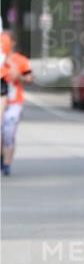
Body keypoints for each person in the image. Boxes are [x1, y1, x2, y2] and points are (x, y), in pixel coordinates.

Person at [1, 33, 32, 176]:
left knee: (9, 132)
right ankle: (2, 156)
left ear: (12, 43)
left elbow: (29, 77)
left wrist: (17, 74)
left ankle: (7, 164)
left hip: (15, 102)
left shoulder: (21, 60)